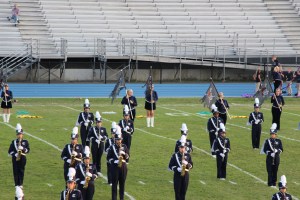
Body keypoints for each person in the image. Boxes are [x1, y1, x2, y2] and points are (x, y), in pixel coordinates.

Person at [107, 129, 129, 200]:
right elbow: (108, 158)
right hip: (115, 168)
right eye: (117, 139)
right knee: (114, 185)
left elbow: (128, 158)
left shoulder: (124, 146)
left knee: (122, 185)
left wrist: (124, 154)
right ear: (115, 140)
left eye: (120, 139)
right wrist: (114, 161)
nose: (119, 141)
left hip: (123, 168)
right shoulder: (112, 147)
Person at [8, 123, 30, 188]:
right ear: (16, 135)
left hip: (23, 157)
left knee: (21, 170)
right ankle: (16, 184)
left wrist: (23, 148)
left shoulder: (25, 142)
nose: (19, 136)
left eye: (20, 134)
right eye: (18, 134)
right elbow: (9, 151)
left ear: (22, 134)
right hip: (15, 158)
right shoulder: (13, 142)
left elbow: (28, 150)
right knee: (15, 170)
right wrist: (15, 154)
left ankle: (20, 183)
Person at [87, 111, 107, 175]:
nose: (99, 124)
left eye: (100, 122)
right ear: (96, 122)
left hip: (101, 145)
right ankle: (94, 170)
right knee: (94, 157)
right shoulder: (92, 129)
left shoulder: (103, 129)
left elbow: (106, 136)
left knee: (99, 157)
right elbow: (89, 137)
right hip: (94, 145)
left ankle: (99, 169)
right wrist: (95, 139)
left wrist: (102, 138)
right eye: (98, 122)